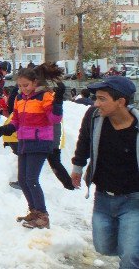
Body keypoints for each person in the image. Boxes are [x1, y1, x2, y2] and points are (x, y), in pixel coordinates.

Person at [71, 76, 139, 269]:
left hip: (134, 200)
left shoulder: (137, 127)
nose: (96, 103)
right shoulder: (93, 117)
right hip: (103, 198)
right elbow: (84, 141)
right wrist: (78, 166)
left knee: (130, 256)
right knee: (104, 246)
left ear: (120, 102)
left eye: (102, 99)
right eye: (96, 98)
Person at [0, 64, 65, 229]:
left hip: (40, 142)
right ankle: (34, 211)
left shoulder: (43, 96)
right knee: (23, 180)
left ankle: (43, 216)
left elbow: (54, 119)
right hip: (24, 141)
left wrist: (58, 101)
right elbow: (16, 121)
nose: (23, 89)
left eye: (26, 85)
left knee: (31, 179)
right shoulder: (19, 99)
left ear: (34, 83)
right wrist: (2, 129)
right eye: (20, 86)